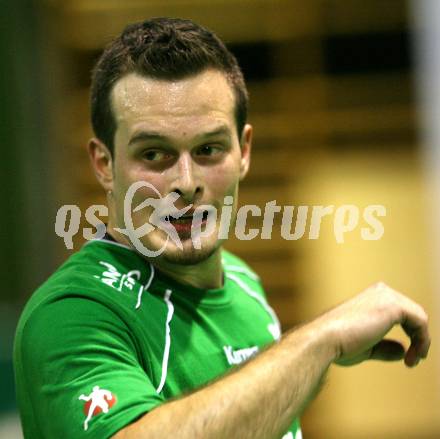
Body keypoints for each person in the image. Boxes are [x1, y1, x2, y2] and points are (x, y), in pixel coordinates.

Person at [13, 17, 430, 439]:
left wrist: (311, 358)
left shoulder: (245, 284)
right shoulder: (71, 314)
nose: (187, 182)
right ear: (105, 165)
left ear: (244, 151)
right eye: (154, 154)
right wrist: (321, 341)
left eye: (209, 149)